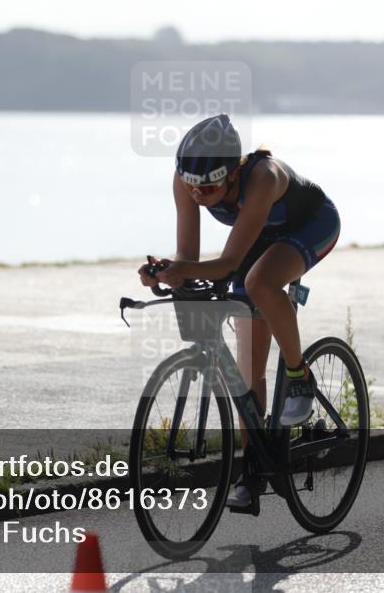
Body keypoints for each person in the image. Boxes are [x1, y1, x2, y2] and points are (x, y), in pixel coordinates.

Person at [138, 114, 341, 508]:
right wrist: (166, 271)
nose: (198, 195)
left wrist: (184, 270)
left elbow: (229, 262)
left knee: (259, 282)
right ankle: (254, 469)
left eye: (208, 188)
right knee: (248, 373)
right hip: (258, 239)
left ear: (233, 173)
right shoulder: (188, 180)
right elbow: (189, 256)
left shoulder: (263, 176)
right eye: (192, 187)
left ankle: (299, 375)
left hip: (311, 226)